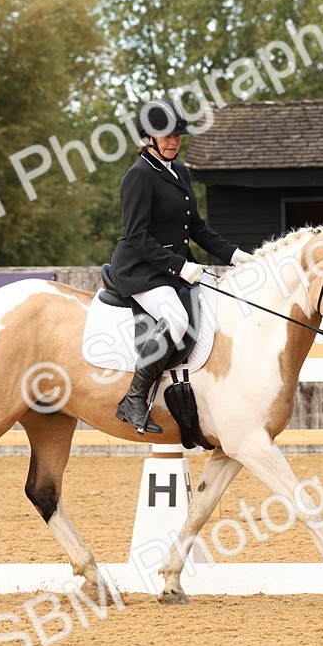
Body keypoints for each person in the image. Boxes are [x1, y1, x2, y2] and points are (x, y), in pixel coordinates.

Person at [111, 99, 254, 434]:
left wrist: (234, 255)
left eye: (177, 135)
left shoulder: (178, 171)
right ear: (148, 137)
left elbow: (196, 226)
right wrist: (178, 266)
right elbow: (137, 235)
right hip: (141, 270)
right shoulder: (139, 176)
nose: (173, 141)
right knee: (176, 320)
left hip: (168, 268)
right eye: (166, 136)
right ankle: (134, 398)